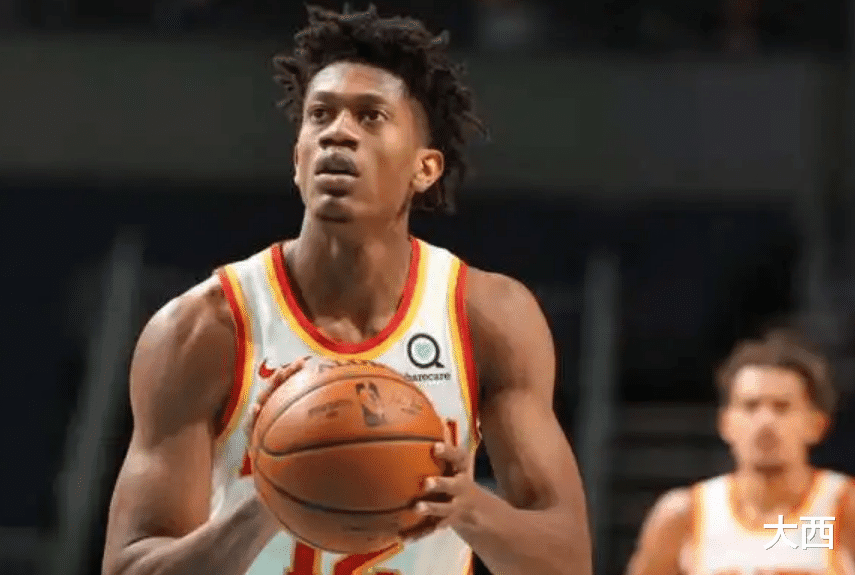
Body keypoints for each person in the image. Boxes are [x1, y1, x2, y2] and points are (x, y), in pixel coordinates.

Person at [100, 5, 591, 575]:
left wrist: (469, 507)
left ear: (425, 168)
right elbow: (130, 566)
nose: (338, 132)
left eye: (371, 116)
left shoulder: (486, 316)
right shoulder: (204, 328)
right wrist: (267, 498)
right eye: (320, 115)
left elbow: (568, 562)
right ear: (297, 159)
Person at [626, 329, 855, 575]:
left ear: (817, 424)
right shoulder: (684, 515)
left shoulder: (845, 508)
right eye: (751, 406)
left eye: (782, 407)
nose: (765, 421)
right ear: (725, 423)